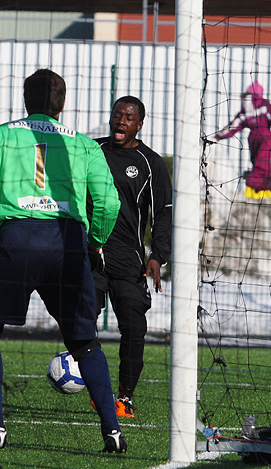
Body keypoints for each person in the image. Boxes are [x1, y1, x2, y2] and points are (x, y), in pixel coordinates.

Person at [0, 68, 127, 453]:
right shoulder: (84, 145)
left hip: (15, 241)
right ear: (61, 104)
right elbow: (109, 202)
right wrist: (95, 241)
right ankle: (112, 431)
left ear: (24, 100)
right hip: (67, 242)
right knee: (84, 341)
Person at [94, 96, 172, 418]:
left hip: (129, 260)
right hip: (93, 253)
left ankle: (124, 396)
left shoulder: (150, 163)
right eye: (117, 116)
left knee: (134, 330)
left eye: (128, 118)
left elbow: (163, 215)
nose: (121, 122)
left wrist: (158, 256)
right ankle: (90, 381)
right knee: (82, 319)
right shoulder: (93, 151)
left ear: (140, 124)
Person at [214, 80, 271, 199]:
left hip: (252, 138)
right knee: (263, 165)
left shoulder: (245, 108)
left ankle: (261, 189)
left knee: (256, 162)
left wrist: (220, 135)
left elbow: (234, 125)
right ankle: (252, 187)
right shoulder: (263, 105)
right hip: (264, 136)